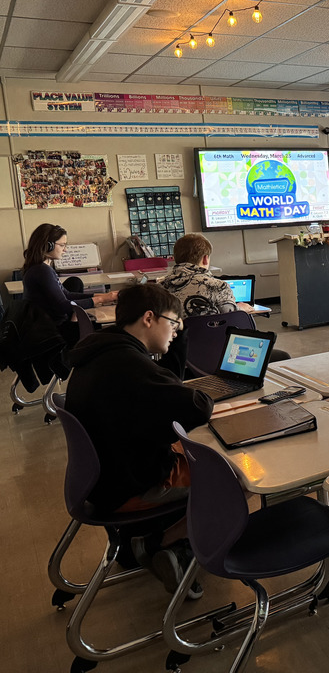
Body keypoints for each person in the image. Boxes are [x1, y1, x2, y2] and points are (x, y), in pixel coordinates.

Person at [65, 283, 213, 596]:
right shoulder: (129, 365)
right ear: (149, 318)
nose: (175, 331)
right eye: (173, 324)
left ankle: (166, 543)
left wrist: (176, 339)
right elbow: (197, 407)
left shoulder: (103, 350)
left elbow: (166, 386)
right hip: (132, 485)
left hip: (107, 478)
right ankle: (164, 543)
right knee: (233, 475)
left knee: (191, 452)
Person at [22, 223, 117, 346]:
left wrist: (104, 296)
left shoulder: (40, 267)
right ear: (48, 245)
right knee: (106, 330)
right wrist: (99, 299)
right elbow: (64, 306)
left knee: (75, 283)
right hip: (54, 332)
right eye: (62, 245)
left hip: (48, 326)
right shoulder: (42, 270)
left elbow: (66, 294)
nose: (65, 250)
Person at [159, 233, 242, 317]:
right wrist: (241, 310)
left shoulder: (160, 287)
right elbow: (234, 318)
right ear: (205, 259)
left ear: (175, 258)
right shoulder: (219, 287)